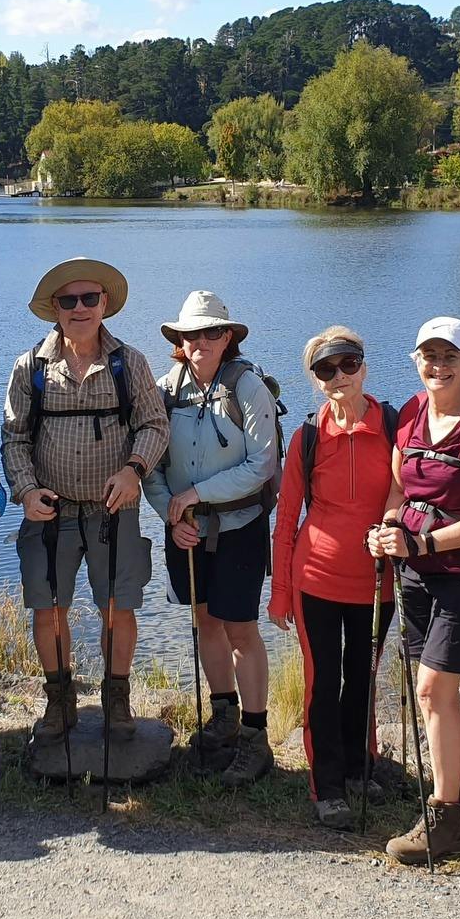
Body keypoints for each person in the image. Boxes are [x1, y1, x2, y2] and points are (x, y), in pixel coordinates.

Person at [1, 257, 168, 742]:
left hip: (114, 510)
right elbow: (14, 438)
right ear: (54, 308)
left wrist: (133, 471)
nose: (80, 308)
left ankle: (116, 702)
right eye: (68, 300)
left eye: (89, 298)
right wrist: (26, 490)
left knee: (118, 608)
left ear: (105, 304)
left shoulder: (129, 361)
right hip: (49, 513)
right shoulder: (30, 366)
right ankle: (60, 702)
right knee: (47, 609)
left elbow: (155, 425)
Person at [370, 317, 460, 863]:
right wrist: (388, 526)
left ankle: (446, 820)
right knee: (432, 690)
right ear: (416, 361)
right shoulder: (410, 413)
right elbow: (396, 486)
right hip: (415, 572)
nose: (438, 365)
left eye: (449, 356)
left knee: (432, 690)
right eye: (428, 355)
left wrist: (423, 546)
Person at [145, 291, 280, 785]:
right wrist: (169, 513)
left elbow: (263, 466)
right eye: (191, 334)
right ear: (178, 340)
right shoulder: (163, 389)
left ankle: (254, 736)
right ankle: (222, 715)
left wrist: (197, 493)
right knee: (204, 620)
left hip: (240, 527)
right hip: (184, 530)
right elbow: (150, 464)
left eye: (211, 332)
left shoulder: (249, 388)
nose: (201, 342)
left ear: (228, 337)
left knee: (241, 627)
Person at [270, 326, 395, 830]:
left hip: (377, 584)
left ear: (364, 367)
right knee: (322, 682)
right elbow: (286, 518)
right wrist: (280, 593)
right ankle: (328, 785)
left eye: (348, 364)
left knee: (362, 677)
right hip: (315, 579)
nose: (339, 375)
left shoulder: (395, 426)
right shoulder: (308, 436)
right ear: (315, 380)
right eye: (326, 369)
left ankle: (359, 765)